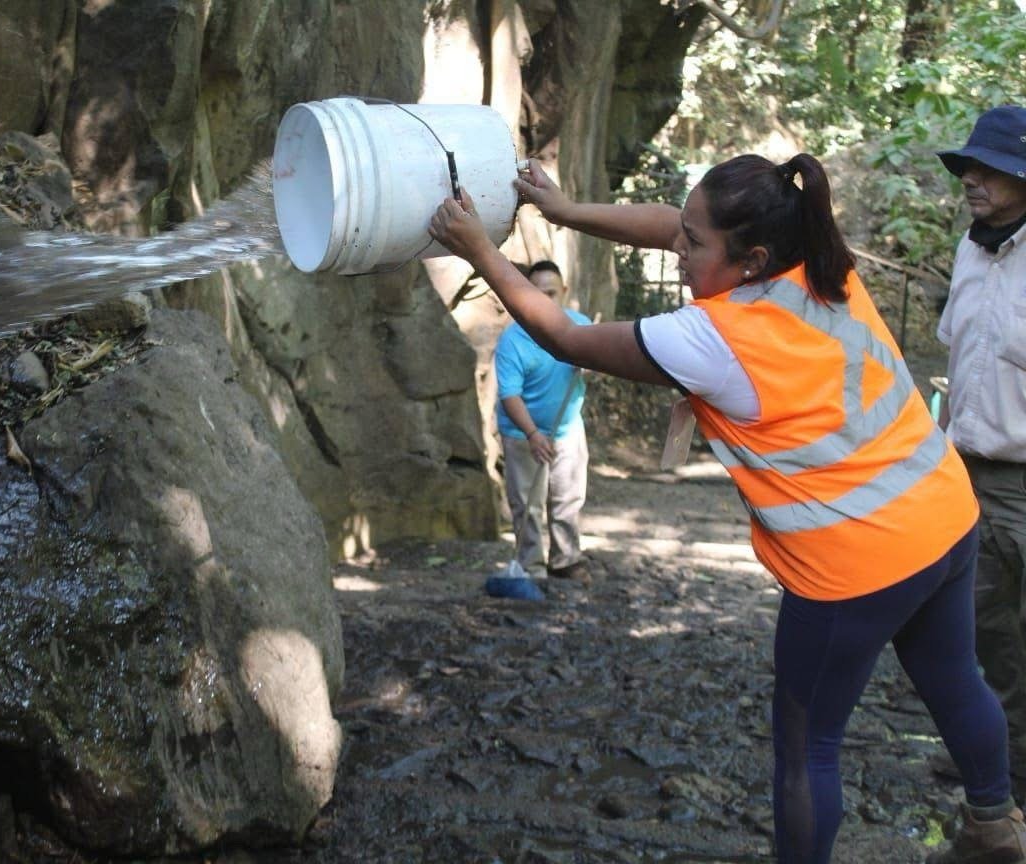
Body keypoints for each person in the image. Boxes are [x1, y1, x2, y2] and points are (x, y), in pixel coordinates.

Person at [427, 153, 1025, 864]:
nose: (678, 251)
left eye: (695, 244)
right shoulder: (822, 267)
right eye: (683, 231)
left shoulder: (711, 340)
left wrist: (480, 250)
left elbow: (564, 336)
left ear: (752, 258)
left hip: (855, 562)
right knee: (955, 676)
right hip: (945, 513)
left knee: (808, 750)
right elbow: (677, 228)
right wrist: (566, 211)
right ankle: (996, 827)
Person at [935, 105, 1026, 814]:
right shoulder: (970, 250)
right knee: (981, 629)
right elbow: (956, 357)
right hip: (968, 474)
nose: (971, 178)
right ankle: (996, 766)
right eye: (968, 165)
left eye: (987, 168)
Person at [491, 260, 592, 599]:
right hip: (522, 433)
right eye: (537, 293)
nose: (545, 299)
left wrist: (592, 365)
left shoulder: (581, 328)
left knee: (567, 497)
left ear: (563, 292)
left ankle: (565, 559)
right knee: (527, 502)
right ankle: (531, 565)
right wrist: (533, 434)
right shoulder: (514, 341)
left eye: (551, 292)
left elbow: (605, 366)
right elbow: (509, 395)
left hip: (567, 429)